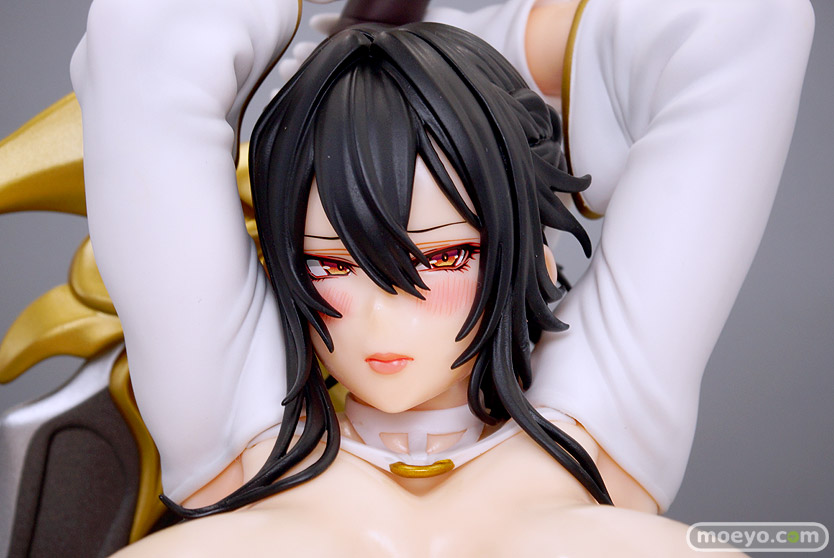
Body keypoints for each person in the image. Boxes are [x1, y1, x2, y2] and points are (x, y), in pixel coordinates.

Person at [69, 0, 812, 554]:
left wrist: (454, 68)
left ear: (532, 254)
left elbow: (740, 21)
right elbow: (144, 36)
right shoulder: (247, 434)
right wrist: (357, 60)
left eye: (446, 257)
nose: (383, 319)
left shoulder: (591, 429)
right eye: (332, 264)